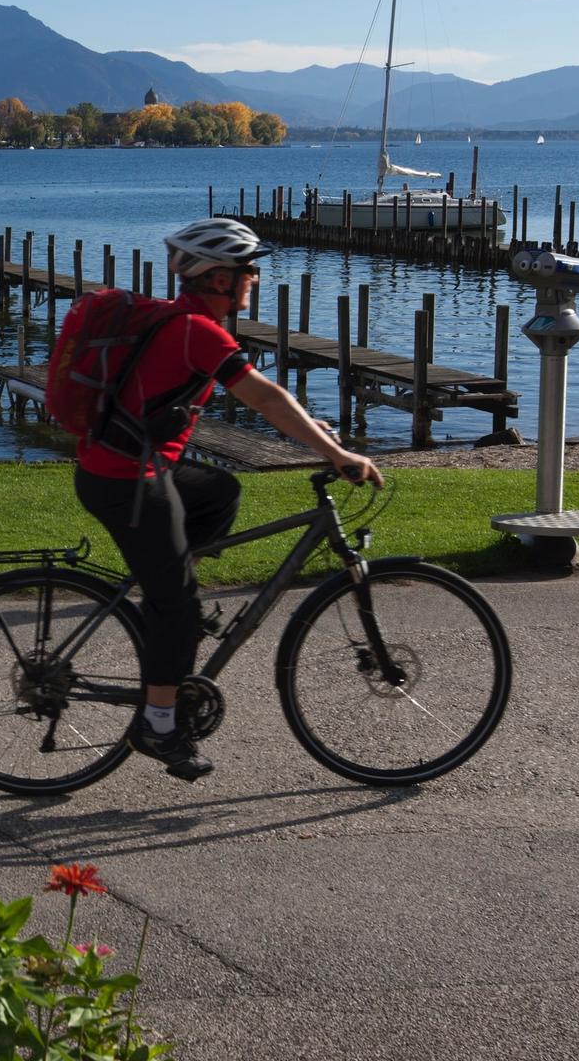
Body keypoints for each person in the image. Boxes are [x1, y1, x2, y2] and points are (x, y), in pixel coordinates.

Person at [74, 217, 382, 782]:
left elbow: (252, 398)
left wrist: (312, 430)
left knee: (220, 491)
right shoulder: (199, 330)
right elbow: (264, 396)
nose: (256, 280)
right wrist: (337, 453)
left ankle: (172, 596)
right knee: (178, 605)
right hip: (127, 480)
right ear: (218, 278)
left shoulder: (190, 324)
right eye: (248, 271)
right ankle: (158, 723)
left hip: (133, 467)